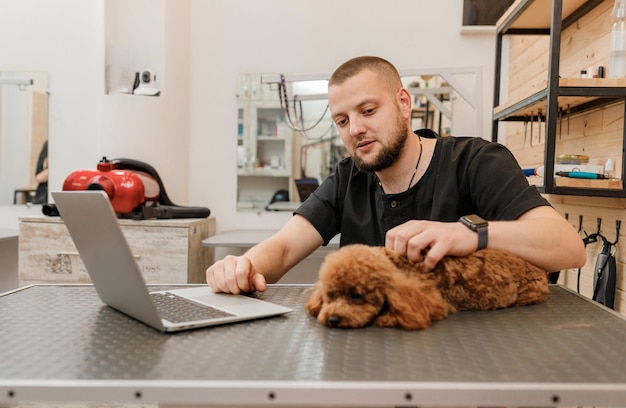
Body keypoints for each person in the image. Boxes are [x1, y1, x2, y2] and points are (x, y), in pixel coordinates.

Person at [206, 56, 586, 294]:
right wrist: (242, 267)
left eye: (368, 110)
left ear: (404, 103)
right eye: (342, 120)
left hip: (470, 363)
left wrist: (468, 234)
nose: (354, 128)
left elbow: (569, 248)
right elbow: (286, 246)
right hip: (372, 358)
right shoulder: (348, 179)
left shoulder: (475, 161)